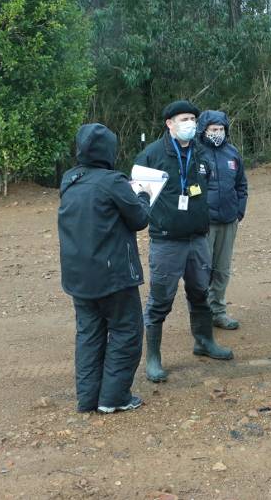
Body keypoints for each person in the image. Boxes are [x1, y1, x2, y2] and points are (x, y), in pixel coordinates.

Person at [135, 100, 234, 383]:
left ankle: (204, 342)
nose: (190, 123)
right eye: (183, 118)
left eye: (192, 118)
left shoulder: (202, 152)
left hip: (198, 239)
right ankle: (153, 357)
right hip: (166, 242)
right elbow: (138, 199)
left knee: (200, 293)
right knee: (160, 300)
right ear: (169, 123)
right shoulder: (152, 155)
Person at [58, 123, 152, 413]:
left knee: (89, 334)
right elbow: (139, 219)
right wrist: (144, 194)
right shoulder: (112, 182)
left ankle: (88, 398)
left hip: (78, 276)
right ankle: (113, 397)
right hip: (113, 276)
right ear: (109, 150)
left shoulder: (69, 180)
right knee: (126, 332)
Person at [196, 110, 248, 330]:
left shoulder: (232, 154)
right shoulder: (196, 153)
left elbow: (241, 185)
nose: (217, 133)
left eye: (221, 129)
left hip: (228, 220)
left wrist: (239, 212)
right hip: (204, 223)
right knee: (201, 270)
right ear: (204, 130)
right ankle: (201, 313)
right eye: (213, 129)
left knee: (222, 270)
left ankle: (218, 311)